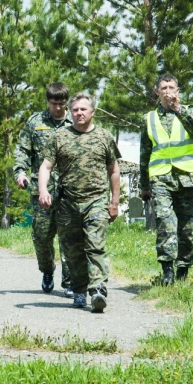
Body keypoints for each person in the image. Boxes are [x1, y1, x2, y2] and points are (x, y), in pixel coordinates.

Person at [38, 92, 120, 313]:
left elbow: (113, 171)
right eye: (75, 110)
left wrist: (114, 202)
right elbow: (46, 167)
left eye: (83, 109)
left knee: (95, 246)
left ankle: (97, 290)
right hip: (68, 203)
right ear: (70, 112)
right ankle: (79, 291)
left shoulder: (104, 136)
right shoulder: (59, 136)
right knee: (72, 251)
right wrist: (43, 190)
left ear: (93, 111)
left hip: (96, 200)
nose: (79, 113)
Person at [139, 74, 193, 285]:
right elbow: (145, 153)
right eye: (163, 87)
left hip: (187, 176)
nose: (168, 91)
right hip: (161, 178)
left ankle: (183, 272)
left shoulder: (189, 110)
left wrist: (179, 109)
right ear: (156, 91)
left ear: (178, 91)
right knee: (165, 224)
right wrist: (144, 185)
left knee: (186, 229)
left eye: (171, 87)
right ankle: (167, 273)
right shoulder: (148, 119)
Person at [14, 82, 74, 298]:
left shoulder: (75, 121)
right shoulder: (35, 122)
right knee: (42, 237)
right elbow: (22, 150)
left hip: (70, 190)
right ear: (48, 101)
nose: (58, 108)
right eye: (53, 103)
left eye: (61, 104)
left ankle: (70, 281)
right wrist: (20, 173)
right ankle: (47, 271)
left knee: (69, 238)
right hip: (42, 191)